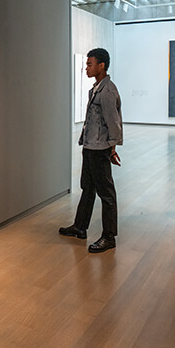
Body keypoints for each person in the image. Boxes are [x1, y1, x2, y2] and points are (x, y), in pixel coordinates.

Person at [59, 48, 123, 253]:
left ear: (101, 66)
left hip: (100, 149)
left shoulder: (108, 91)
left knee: (106, 194)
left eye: (89, 64)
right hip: (89, 146)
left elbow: (114, 123)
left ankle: (109, 237)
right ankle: (80, 227)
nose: (86, 67)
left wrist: (112, 149)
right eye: (86, 64)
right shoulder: (96, 88)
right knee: (87, 187)